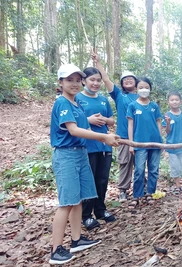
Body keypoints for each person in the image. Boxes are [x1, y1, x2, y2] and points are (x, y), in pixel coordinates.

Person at [49, 64, 120, 264]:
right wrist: (103, 138)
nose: (74, 84)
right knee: (67, 203)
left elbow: (84, 125)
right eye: (68, 80)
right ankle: (56, 250)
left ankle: (76, 239)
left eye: (76, 80)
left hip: (80, 153)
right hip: (66, 156)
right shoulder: (62, 102)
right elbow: (73, 130)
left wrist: (110, 135)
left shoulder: (75, 104)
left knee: (79, 199)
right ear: (60, 82)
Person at [92, 52, 137, 202]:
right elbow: (105, 79)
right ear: (122, 83)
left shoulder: (142, 97)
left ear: (136, 83)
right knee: (124, 163)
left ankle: (139, 188)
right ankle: (123, 190)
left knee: (141, 164)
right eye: (125, 79)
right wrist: (98, 63)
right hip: (123, 135)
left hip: (140, 137)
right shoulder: (119, 95)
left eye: (131, 79)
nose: (129, 81)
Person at [75, 67, 116, 231]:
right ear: (84, 81)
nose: (96, 83)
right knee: (88, 181)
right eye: (92, 80)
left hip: (104, 145)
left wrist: (105, 119)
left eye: (98, 80)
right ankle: (86, 216)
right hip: (87, 146)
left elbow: (112, 121)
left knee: (102, 179)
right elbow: (72, 122)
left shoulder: (104, 100)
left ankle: (100, 210)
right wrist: (88, 120)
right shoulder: (77, 98)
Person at [126, 77, 163, 207]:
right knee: (139, 170)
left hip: (155, 143)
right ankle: (137, 195)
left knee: (154, 169)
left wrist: (161, 141)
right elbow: (130, 125)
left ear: (150, 89)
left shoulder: (154, 106)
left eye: (146, 87)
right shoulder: (132, 106)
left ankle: (150, 193)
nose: (144, 90)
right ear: (136, 89)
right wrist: (131, 143)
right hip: (139, 143)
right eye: (141, 87)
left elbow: (159, 122)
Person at [163, 91, 182, 194]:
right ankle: (178, 186)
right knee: (175, 166)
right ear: (168, 102)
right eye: (172, 100)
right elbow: (167, 131)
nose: (174, 102)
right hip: (172, 146)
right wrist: (168, 123)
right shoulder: (167, 115)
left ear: (180, 101)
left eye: (176, 100)